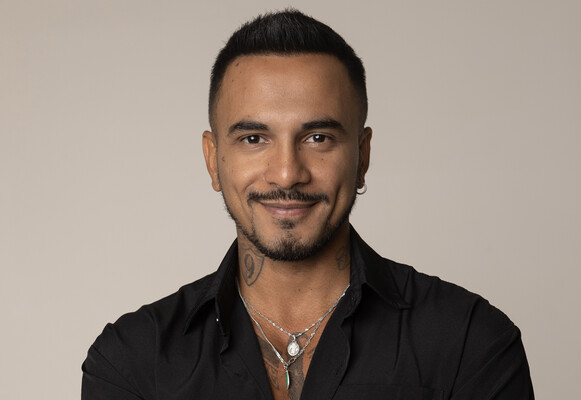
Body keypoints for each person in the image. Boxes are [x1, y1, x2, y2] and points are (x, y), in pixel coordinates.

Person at [81, 9, 534, 400]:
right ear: (213, 160)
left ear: (362, 157)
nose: (286, 173)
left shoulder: (470, 345)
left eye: (318, 138)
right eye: (254, 138)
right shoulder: (133, 362)